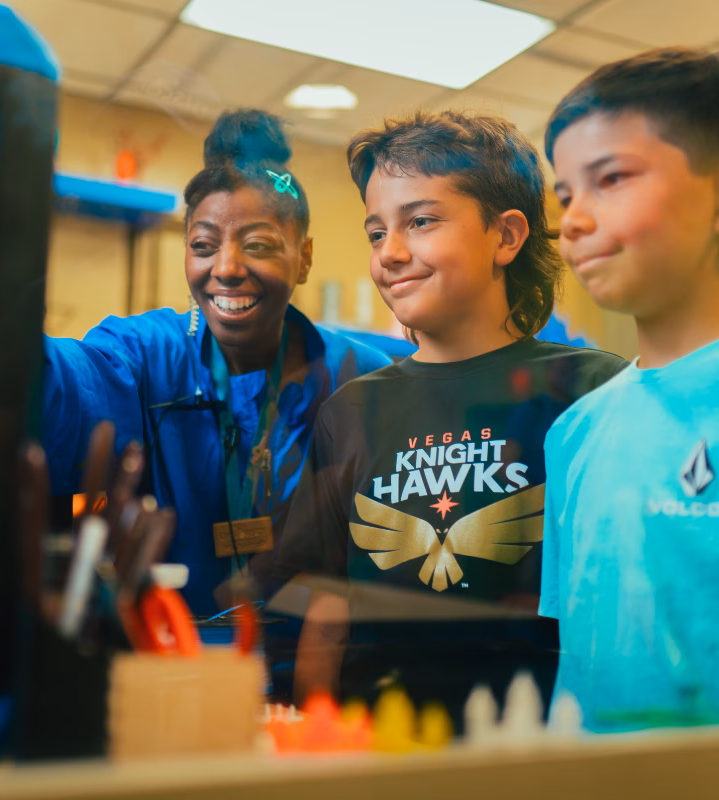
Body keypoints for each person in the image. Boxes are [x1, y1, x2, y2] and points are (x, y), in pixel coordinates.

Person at [0, 109, 391, 617]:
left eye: (258, 246)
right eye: (203, 246)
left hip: (320, 672)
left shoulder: (362, 378)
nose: (226, 269)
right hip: (172, 664)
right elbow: (75, 381)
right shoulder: (148, 354)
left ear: (305, 256)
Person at [275, 110, 626, 727]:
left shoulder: (590, 389)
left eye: (421, 221)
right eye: (376, 233)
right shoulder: (351, 410)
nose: (392, 252)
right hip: (378, 744)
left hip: (534, 743)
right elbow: (327, 606)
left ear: (507, 237)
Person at [539, 47, 719, 732]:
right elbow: (578, 663)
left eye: (611, 178)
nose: (575, 220)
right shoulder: (575, 431)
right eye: (565, 194)